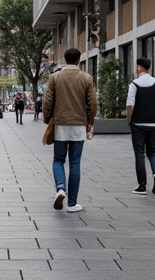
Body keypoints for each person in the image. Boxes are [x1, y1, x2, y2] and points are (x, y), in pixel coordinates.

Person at [42, 48, 97, 213]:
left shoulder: (55, 77)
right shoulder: (86, 78)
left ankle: (60, 188)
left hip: (60, 124)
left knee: (58, 160)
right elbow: (92, 103)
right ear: (79, 60)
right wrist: (90, 122)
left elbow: (47, 101)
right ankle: (72, 204)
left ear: (65, 59)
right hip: (79, 125)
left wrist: (47, 119)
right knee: (75, 163)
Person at [126, 57, 155, 195]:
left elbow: (130, 105)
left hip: (138, 123)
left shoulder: (134, 84)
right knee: (153, 152)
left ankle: (142, 186)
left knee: (139, 154)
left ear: (139, 67)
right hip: (153, 123)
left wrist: (129, 119)